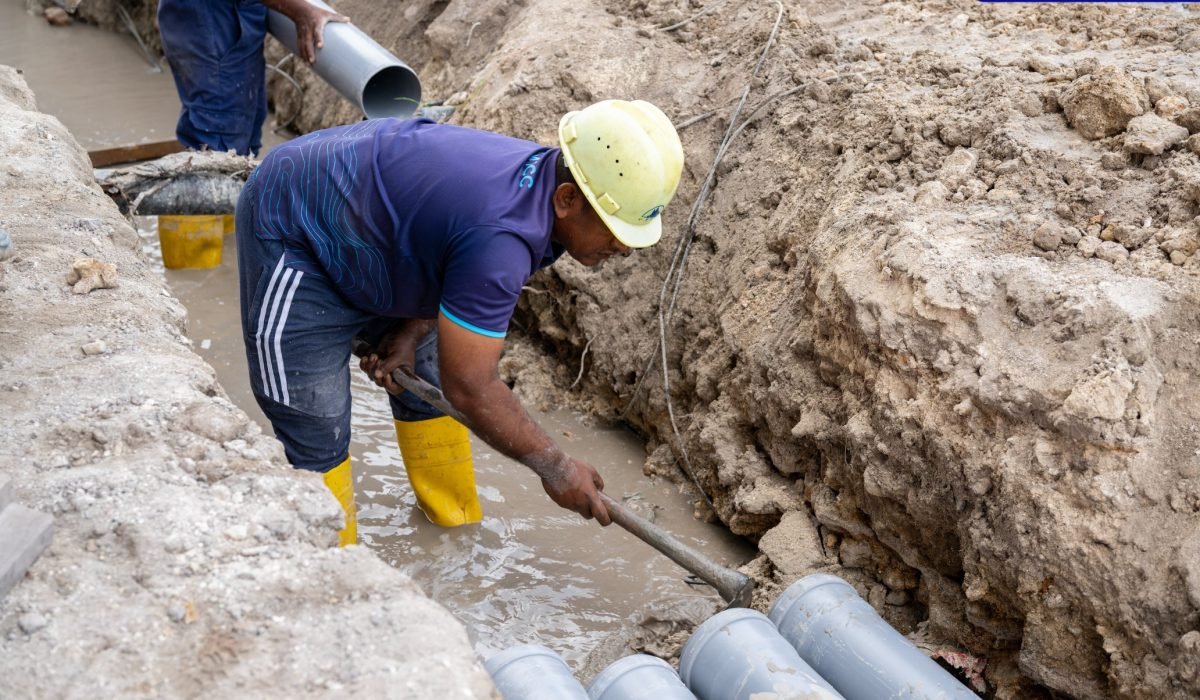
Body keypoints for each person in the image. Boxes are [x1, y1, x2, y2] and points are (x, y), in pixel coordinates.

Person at [233, 100, 684, 545]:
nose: (624, 248)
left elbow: (448, 242)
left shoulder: (541, 191)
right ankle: (335, 566)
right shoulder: (502, 237)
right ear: (567, 200)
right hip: (298, 224)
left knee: (426, 381)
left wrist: (411, 327)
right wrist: (558, 468)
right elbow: (470, 386)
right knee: (315, 422)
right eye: (615, 228)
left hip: (377, 227)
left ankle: (454, 534)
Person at [157, 0, 347, 156]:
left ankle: (235, 182)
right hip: (210, 16)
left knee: (245, 128)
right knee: (219, 134)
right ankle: (211, 185)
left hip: (233, 12)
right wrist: (301, 10)